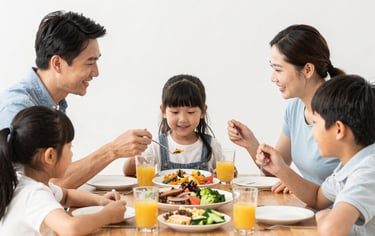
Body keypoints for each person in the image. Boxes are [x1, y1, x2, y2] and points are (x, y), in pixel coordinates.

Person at [0, 11, 152, 188]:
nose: (96, 72)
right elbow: (47, 186)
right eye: (89, 63)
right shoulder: (18, 108)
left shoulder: (54, 104)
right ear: (57, 64)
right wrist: (113, 150)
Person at [227, 24, 345, 192]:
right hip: (308, 209)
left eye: (278, 69)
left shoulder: (343, 112)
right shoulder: (295, 108)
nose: (272, 78)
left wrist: (297, 184)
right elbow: (276, 171)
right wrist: (250, 143)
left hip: (340, 214)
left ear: (308, 69)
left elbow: (357, 181)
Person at [256, 74, 375, 235]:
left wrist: (324, 216)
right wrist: (280, 169)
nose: (312, 132)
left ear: (339, 130)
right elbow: (318, 197)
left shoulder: (368, 171)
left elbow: (331, 230)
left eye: (315, 123)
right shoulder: (349, 164)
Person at [0, 106, 128, 235]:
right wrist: (107, 216)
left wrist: (101, 201)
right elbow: (70, 229)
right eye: (69, 147)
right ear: (50, 156)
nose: (72, 154)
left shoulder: (26, 183)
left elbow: (67, 196)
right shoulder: (35, 194)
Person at [123, 74, 225, 176]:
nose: (183, 119)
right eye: (175, 112)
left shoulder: (212, 146)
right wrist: (136, 154)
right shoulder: (157, 145)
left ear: (203, 111)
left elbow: (224, 176)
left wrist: (230, 172)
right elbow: (128, 172)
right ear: (163, 111)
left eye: (190, 112)